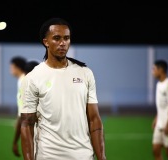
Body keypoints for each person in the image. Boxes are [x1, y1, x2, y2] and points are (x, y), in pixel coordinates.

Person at [20, 18, 106, 160]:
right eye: (57, 38)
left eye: (66, 38)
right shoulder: (32, 78)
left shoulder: (85, 73)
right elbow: (27, 124)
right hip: (48, 156)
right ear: (45, 42)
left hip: (83, 155)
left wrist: (102, 157)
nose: (63, 43)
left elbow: (94, 120)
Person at [152, 60, 168, 160]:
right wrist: (156, 118)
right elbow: (161, 106)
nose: (153, 71)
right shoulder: (158, 84)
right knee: (155, 150)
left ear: (161, 70)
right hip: (159, 124)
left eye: (154, 69)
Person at [10, 56, 26, 157]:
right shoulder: (22, 80)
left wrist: (15, 141)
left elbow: (24, 111)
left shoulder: (23, 81)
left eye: (11, 67)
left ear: (17, 67)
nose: (10, 70)